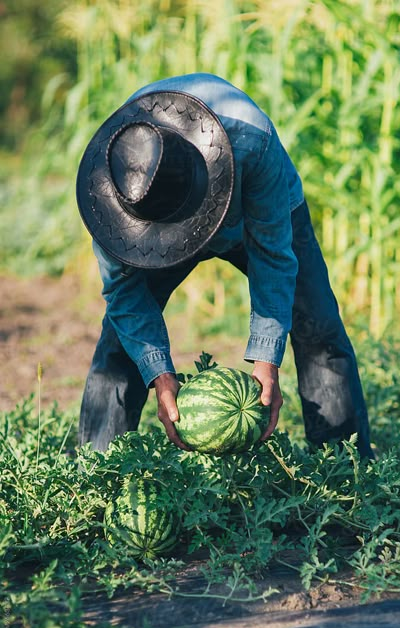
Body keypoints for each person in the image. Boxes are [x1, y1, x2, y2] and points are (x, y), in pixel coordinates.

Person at [76, 72, 374, 459]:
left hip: (255, 215)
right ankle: (99, 470)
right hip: (153, 226)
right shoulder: (111, 193)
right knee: (122, 345)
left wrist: (267, 360)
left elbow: (274, 256)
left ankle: (345, 469)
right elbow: (123, 293)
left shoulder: (252, 140)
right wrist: (159, 374)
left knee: (318, 326)